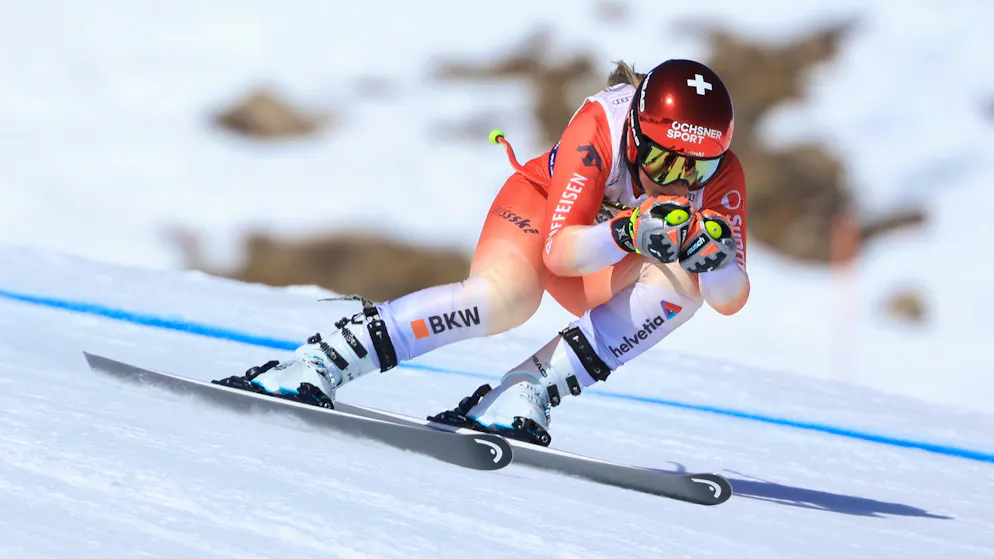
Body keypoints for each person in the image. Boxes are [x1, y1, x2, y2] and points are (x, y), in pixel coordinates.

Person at [215, 58, 750, 446]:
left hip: (604, 252)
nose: (677, 181)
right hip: (542, 215)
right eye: (663, 163)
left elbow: (730, 298)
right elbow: (560, 253)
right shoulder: (600, 127)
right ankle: (323, 359)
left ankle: (527, 390)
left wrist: (714, 259)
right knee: (502, 301)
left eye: (695, 170)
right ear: (634, 134)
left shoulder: (723, 173)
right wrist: (629, 231)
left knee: (685, 285)